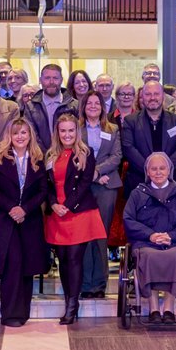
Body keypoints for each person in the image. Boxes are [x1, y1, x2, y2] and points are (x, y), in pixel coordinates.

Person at [0, 118, 50, 327]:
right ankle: (9, 314)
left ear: (30, 136)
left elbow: (43, 190)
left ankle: (23, 313)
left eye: (24, 133)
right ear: (9, 136)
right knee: (11, 266)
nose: (20, 137)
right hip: (4, 221)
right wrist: (12, 208)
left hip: (29, 221)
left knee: (27, 267)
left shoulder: (38, 158)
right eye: (16, 133)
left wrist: (24, 209)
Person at [123, 151, 176, 324]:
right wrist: (150, 235)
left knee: (175, 255)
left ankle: (168, 307)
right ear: (147, 172)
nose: (158, 172)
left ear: (169, 170)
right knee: (149, 256)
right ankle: (153, 308)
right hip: (147, 243)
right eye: (154, 169)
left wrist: (171, 236)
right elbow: (128, 219)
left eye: (162, 168)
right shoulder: (138, 194)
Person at [44, 113, 107, 325]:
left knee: (73, 258)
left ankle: (72, 305)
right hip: (57, 213)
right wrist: (54, 204)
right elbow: (47, 185)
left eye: (71, 130)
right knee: (62, 259)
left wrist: (67, 206)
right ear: (57, 133)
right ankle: (69, 300)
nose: (67, 134)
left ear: (77, 132)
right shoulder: (50, 155)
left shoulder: (85, 154)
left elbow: (84, 184)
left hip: (79, 212)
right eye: (63, 131)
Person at [79, 91, 121, 300]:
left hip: (107, 187)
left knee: (101, 235)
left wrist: (98, 171)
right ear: (84, 106)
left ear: (102, 107)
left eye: (97, 103)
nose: (93, 106)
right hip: (83, 188)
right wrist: (93, 176)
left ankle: (100, 284)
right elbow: (74, 156)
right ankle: (86, 283)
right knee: (85, 235)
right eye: (90, 103)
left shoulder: (112, 129)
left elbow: (117, 156)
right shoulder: (76, 130)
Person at [121, 80, 176, 193]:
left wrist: (165, 170)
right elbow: (128, 148)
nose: (152, 97)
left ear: (163, 96)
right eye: (148, 94)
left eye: (156, 94)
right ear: (142, 97)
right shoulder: (130, 121)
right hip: (139, 181)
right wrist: (150, 170)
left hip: (172, 180)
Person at [21, 63, 79, 150]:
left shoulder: (74, 105)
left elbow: (78, 134)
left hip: (68, 156)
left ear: (61, 80)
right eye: (47, 78)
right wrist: (46, 156)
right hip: (39, 157)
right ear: (40, 80)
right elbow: (31, 134)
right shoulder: (30, 107)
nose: (51, 82)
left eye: (55, 78)